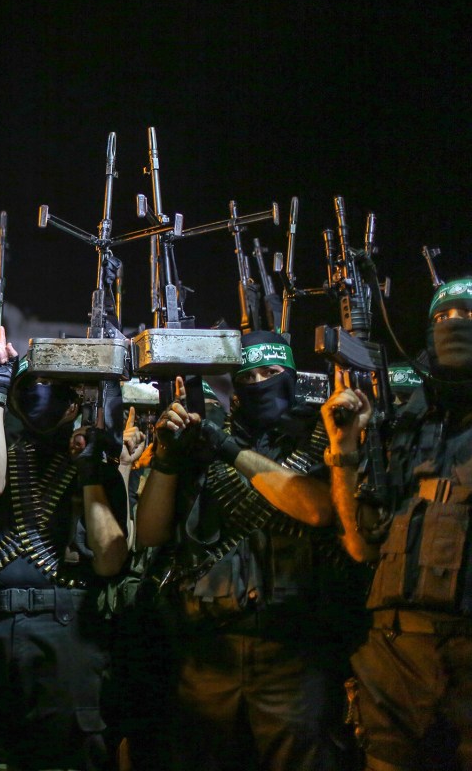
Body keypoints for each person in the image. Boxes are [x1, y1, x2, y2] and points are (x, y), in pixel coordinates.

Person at [137, 329, 362, 771]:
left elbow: (317, 509)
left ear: (292, 376)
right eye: (248, 375)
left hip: (294, 653)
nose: (259, 383)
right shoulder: (204, 437)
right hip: (208, 652)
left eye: (271, 372)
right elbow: (148, 534)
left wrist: (227, 449)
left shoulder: (319, 438)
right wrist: (167, 455)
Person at [0, 332, 127, 770]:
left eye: (52, 386)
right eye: (28, 387)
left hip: (64, 630)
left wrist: (90, 469)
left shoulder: (93, 461)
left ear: (74, 402)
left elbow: (109, 558)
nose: (39, 396)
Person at [324, 278, 472, 770]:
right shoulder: (408, 424)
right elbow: (362, 543)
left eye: (466, 318)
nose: (453, 328)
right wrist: (345, 449)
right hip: (396, 653)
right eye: (442, 320)